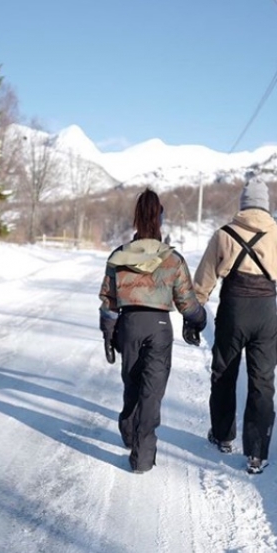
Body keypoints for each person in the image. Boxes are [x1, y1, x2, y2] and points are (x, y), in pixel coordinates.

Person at [189, 175, 277, 474]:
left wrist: (194, 312)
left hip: (233, 310)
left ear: (243, 205)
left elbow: (204, 279)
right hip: (265, 314)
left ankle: (223, 436)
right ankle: (256, 453)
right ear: (265, 206)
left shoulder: (224, 234)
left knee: (224, 374)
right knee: (262, 382)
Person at [99, 188, 207, 474]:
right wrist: (199, 319)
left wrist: (108, 334)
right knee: (152, 393)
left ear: (136, 219)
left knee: (132, 384)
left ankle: (128, 430)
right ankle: (143, 455)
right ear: (161, 219)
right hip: (159, 327)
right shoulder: (172, 259)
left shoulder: (119, 256)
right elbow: (187, 302)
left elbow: (109, 300)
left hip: (129, 325)